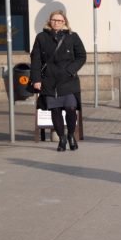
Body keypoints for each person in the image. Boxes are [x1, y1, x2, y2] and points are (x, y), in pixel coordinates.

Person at [30, 10, 86, 152]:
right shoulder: (41, 37)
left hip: (68, 80)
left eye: (60, 21)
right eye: (54, 20)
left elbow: (82, 56)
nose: (57, 23)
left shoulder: (72, 37)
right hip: (49, 80)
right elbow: (35, 59)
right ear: (50, 21)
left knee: (71, 108)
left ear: (65, 22)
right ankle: (61, 139)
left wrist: (70, 70)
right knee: (55, 111)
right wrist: (36, 79)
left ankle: (71, 135)